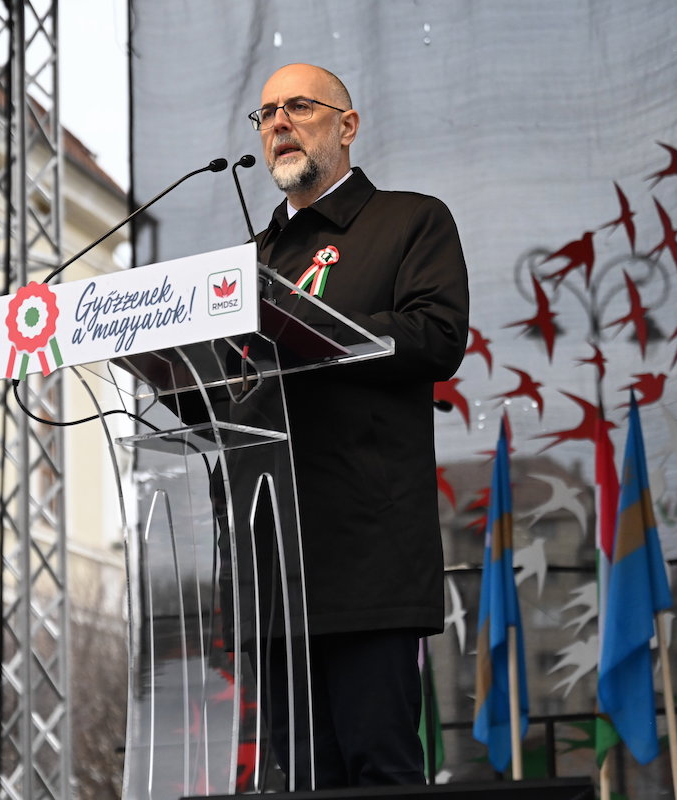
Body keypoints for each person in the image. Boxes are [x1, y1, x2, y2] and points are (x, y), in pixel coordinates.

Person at [233, 63, 470, 789]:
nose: (279, 124)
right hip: (272, 564)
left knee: (378, 770)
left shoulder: (409, 221)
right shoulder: (245, 266)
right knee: (300, 777)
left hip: (368, 558)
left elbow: (436, 335)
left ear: (347, 124)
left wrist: (296, 322)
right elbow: (218, 392)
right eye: (267, 112)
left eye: (299, 107)